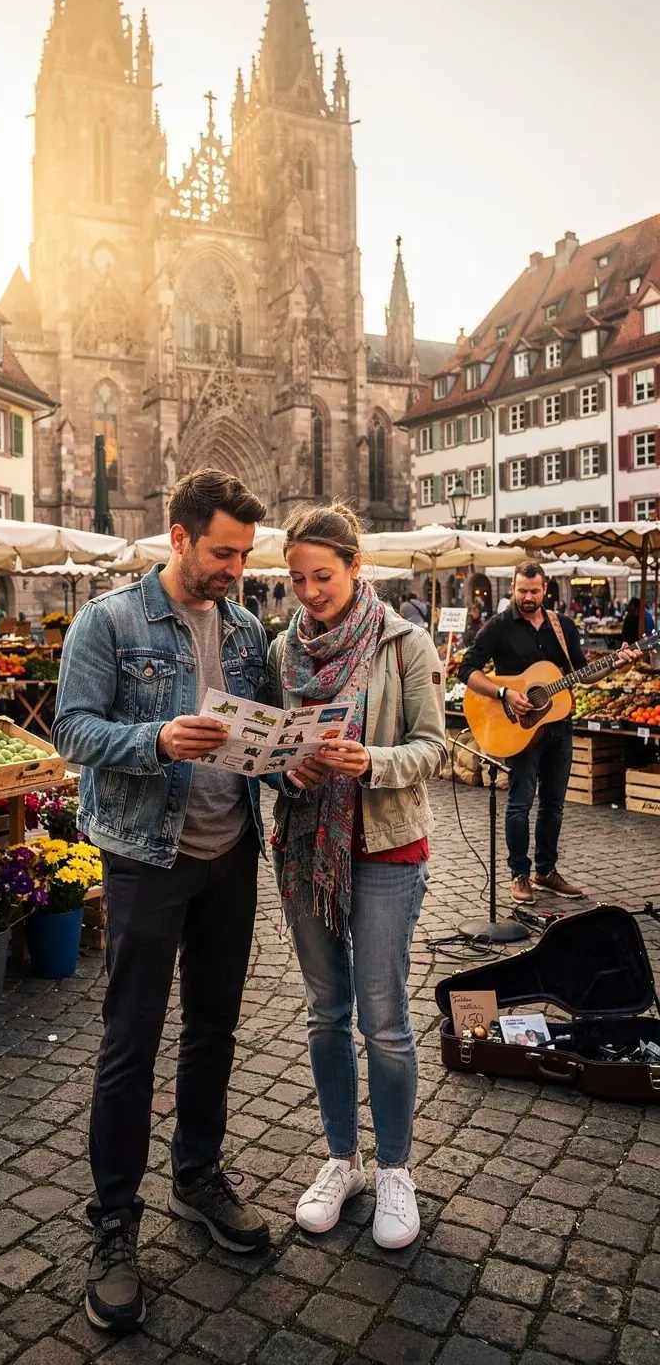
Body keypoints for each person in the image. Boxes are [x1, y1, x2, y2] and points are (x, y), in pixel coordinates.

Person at [53, 470, 287, 1335]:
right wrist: (152, 738)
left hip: (230, 856)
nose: (235, 568)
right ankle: (114, 1224)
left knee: (215, 1029)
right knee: (129, 1043)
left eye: (244, 555)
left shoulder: (248, 626)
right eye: (223, 552)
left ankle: (197, 1176)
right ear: (180, 535)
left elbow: (259, 727)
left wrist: (290, 749)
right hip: (148, 856)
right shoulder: (108, 620)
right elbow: (72, 729)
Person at [268, 503, 446, 1250]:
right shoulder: (283, 650)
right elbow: (272, 747)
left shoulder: (403, 643)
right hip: (307, 846)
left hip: (385, 847)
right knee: (324, 1012)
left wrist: (372, 761)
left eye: (323, 577)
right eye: (298, 579)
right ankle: (342, 1159)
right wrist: (290, 767)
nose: (310, 592)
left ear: (354, 569)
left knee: (385, 1020)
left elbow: (435, 747)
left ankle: (396, 1170)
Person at [459, 562, 640, 905]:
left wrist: (617, 661)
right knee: (519, 803)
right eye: (522, 590)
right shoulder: (498, 627)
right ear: (513, 588)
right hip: (519, 727)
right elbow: (466, 670)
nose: (528, 597)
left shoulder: (563, 626)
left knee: (554, 804)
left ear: (545, 590)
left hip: (559, 726)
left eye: (534, 591)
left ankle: (546, 870)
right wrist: (504, 693)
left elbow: (582, 674)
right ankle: (519, 874)